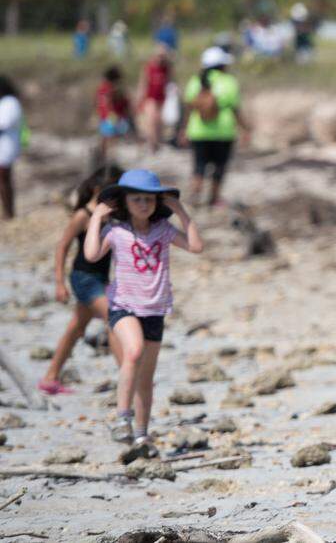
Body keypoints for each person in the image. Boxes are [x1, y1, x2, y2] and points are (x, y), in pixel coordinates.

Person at [84, 169, 203, 453]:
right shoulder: (116, 231)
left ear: (157, 202)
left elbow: (196, 246)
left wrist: (181, 211)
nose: (143, 204)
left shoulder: (164, 230)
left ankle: (141, 435)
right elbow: (91, 255)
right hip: (124, 306)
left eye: (149, 199)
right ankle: (122, 418)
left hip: (156, 309)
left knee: (146, 380)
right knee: (133, 352)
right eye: (136, 199)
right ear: (124, 202)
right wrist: (97, 217)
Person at [39, 165, 126, 395]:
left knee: (76, 328)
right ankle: (128, 375)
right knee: (114, 318)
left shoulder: (113, 216)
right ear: (98, 189)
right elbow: (62, 246)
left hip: (101, 278)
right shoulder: (83, 215)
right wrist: (59, 283)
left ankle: (50, 377)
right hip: (83, 277)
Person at [183, 47, 250, 207]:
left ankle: (195, 196)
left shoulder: (195, 80)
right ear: (221, 65)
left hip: (198, 130)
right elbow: (235, 109)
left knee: (199, 166)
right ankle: (214, 198)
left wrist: (183, 129)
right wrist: (245, 129)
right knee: (219, 166)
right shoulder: (229, 81)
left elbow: (188, 107)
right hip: (223, 131)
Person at [137, 43, 172, 153]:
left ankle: (158, 140)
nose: (161, 58)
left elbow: (169, 81)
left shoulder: (166, 68)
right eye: (159, 56)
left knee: (160, 120)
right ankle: (152, 142)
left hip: (161, 97)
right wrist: (140, 97)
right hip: (150, 97)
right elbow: (143, 83)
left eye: (163, 56)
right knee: (151, 119)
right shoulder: (149, 67)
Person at [96, 66, 132, 163]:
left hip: (105, 117)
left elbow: (101, 103)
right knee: (111, 139)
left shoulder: (101, 89)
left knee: (106, 138)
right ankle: (109, 158)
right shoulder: (112, 89)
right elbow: (114, 103)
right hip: (112, 117)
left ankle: (105, 157)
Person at [0, 75, 23, 219]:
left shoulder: (11, 102)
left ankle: (9, 212)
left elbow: (4, 122)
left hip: (6, 146)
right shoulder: (4, 102)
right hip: (3, 144)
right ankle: (7, 211)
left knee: (4, 180)